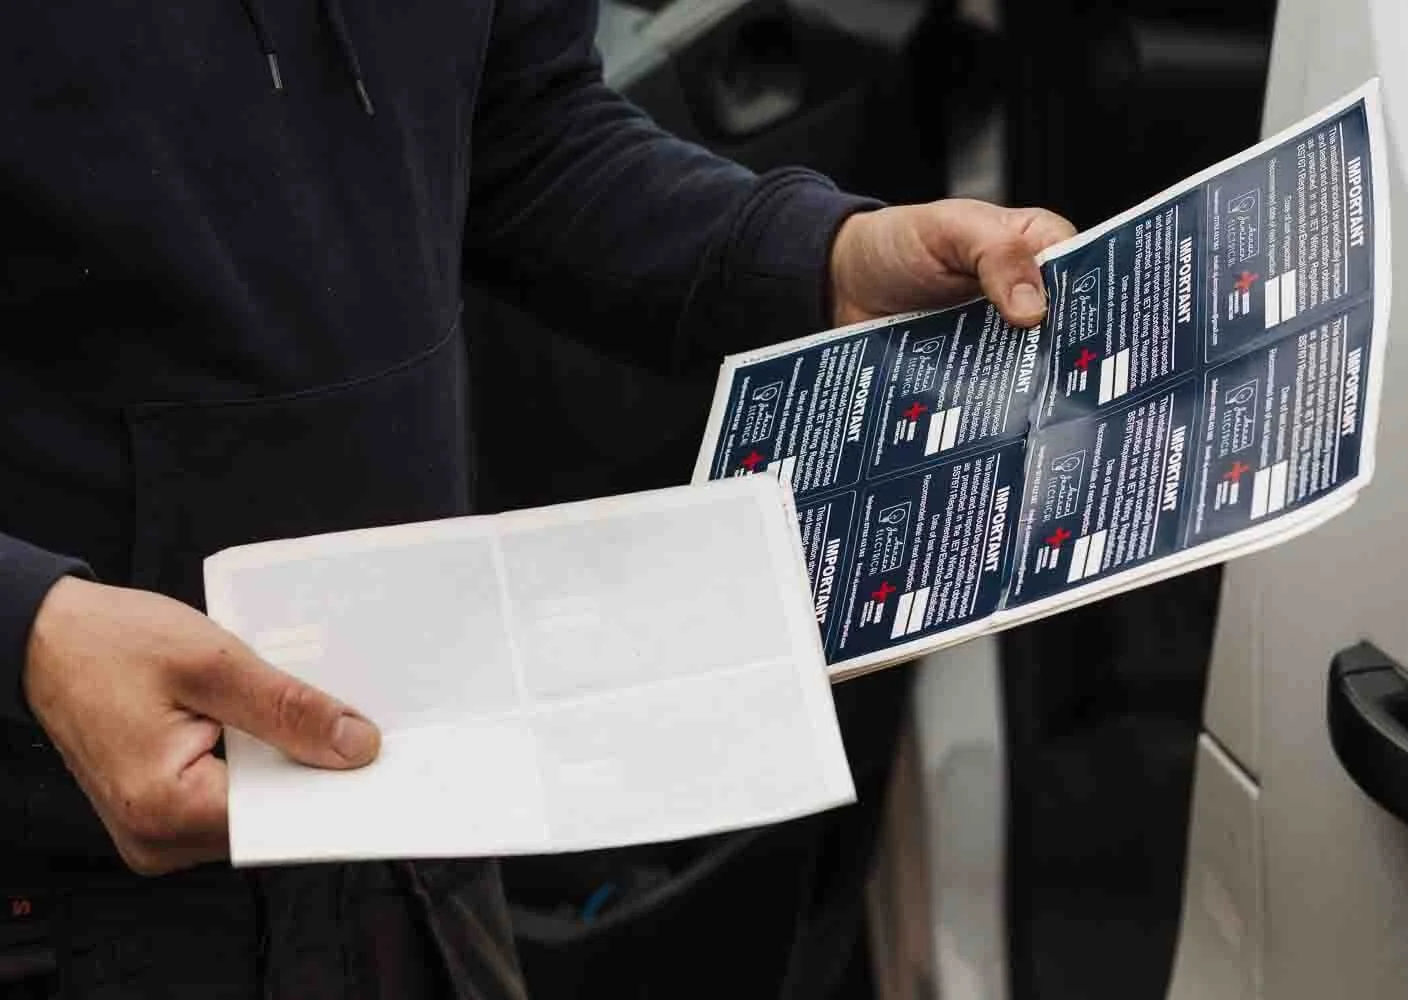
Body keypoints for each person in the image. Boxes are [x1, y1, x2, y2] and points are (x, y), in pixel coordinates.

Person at [0, 1, 1074, 996]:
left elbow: (520, 127)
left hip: (407, 802)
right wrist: (30, 629)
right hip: (66, 870)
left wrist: (818, 259)